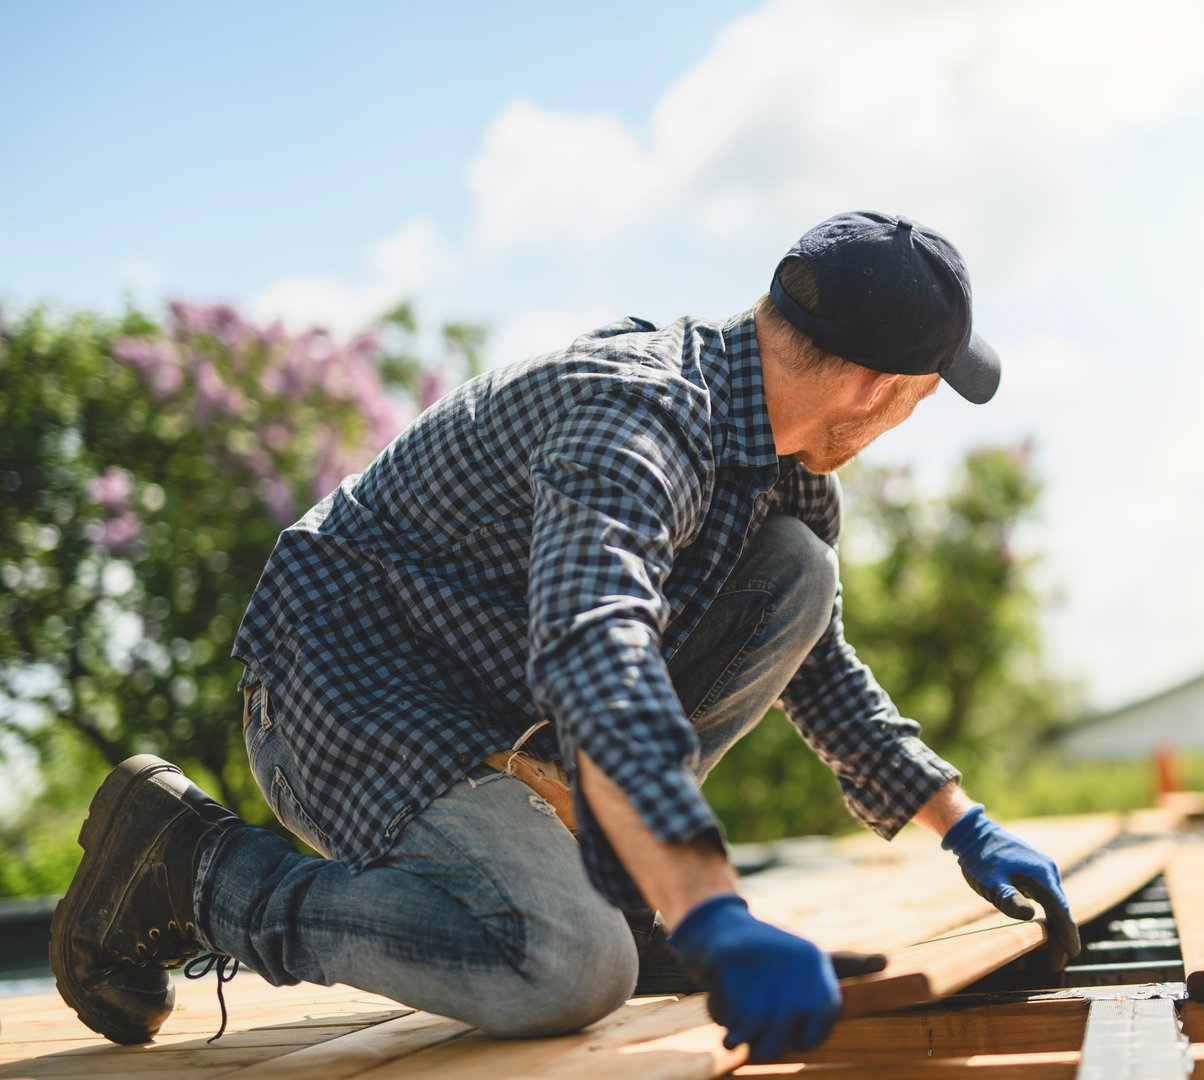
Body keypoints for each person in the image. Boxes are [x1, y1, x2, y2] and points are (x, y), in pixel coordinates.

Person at [50, 211, 1082, 1063]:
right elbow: (596, 649)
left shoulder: (786, 465)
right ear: (875, 389)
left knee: (796, 574)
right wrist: (710, 906)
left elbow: (814, 663)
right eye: (919, 396)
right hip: (346, 685)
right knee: (566, 968)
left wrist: (961, 821)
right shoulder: (634, 418)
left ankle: (615, 890)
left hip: (492, 695)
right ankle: (197, 871)